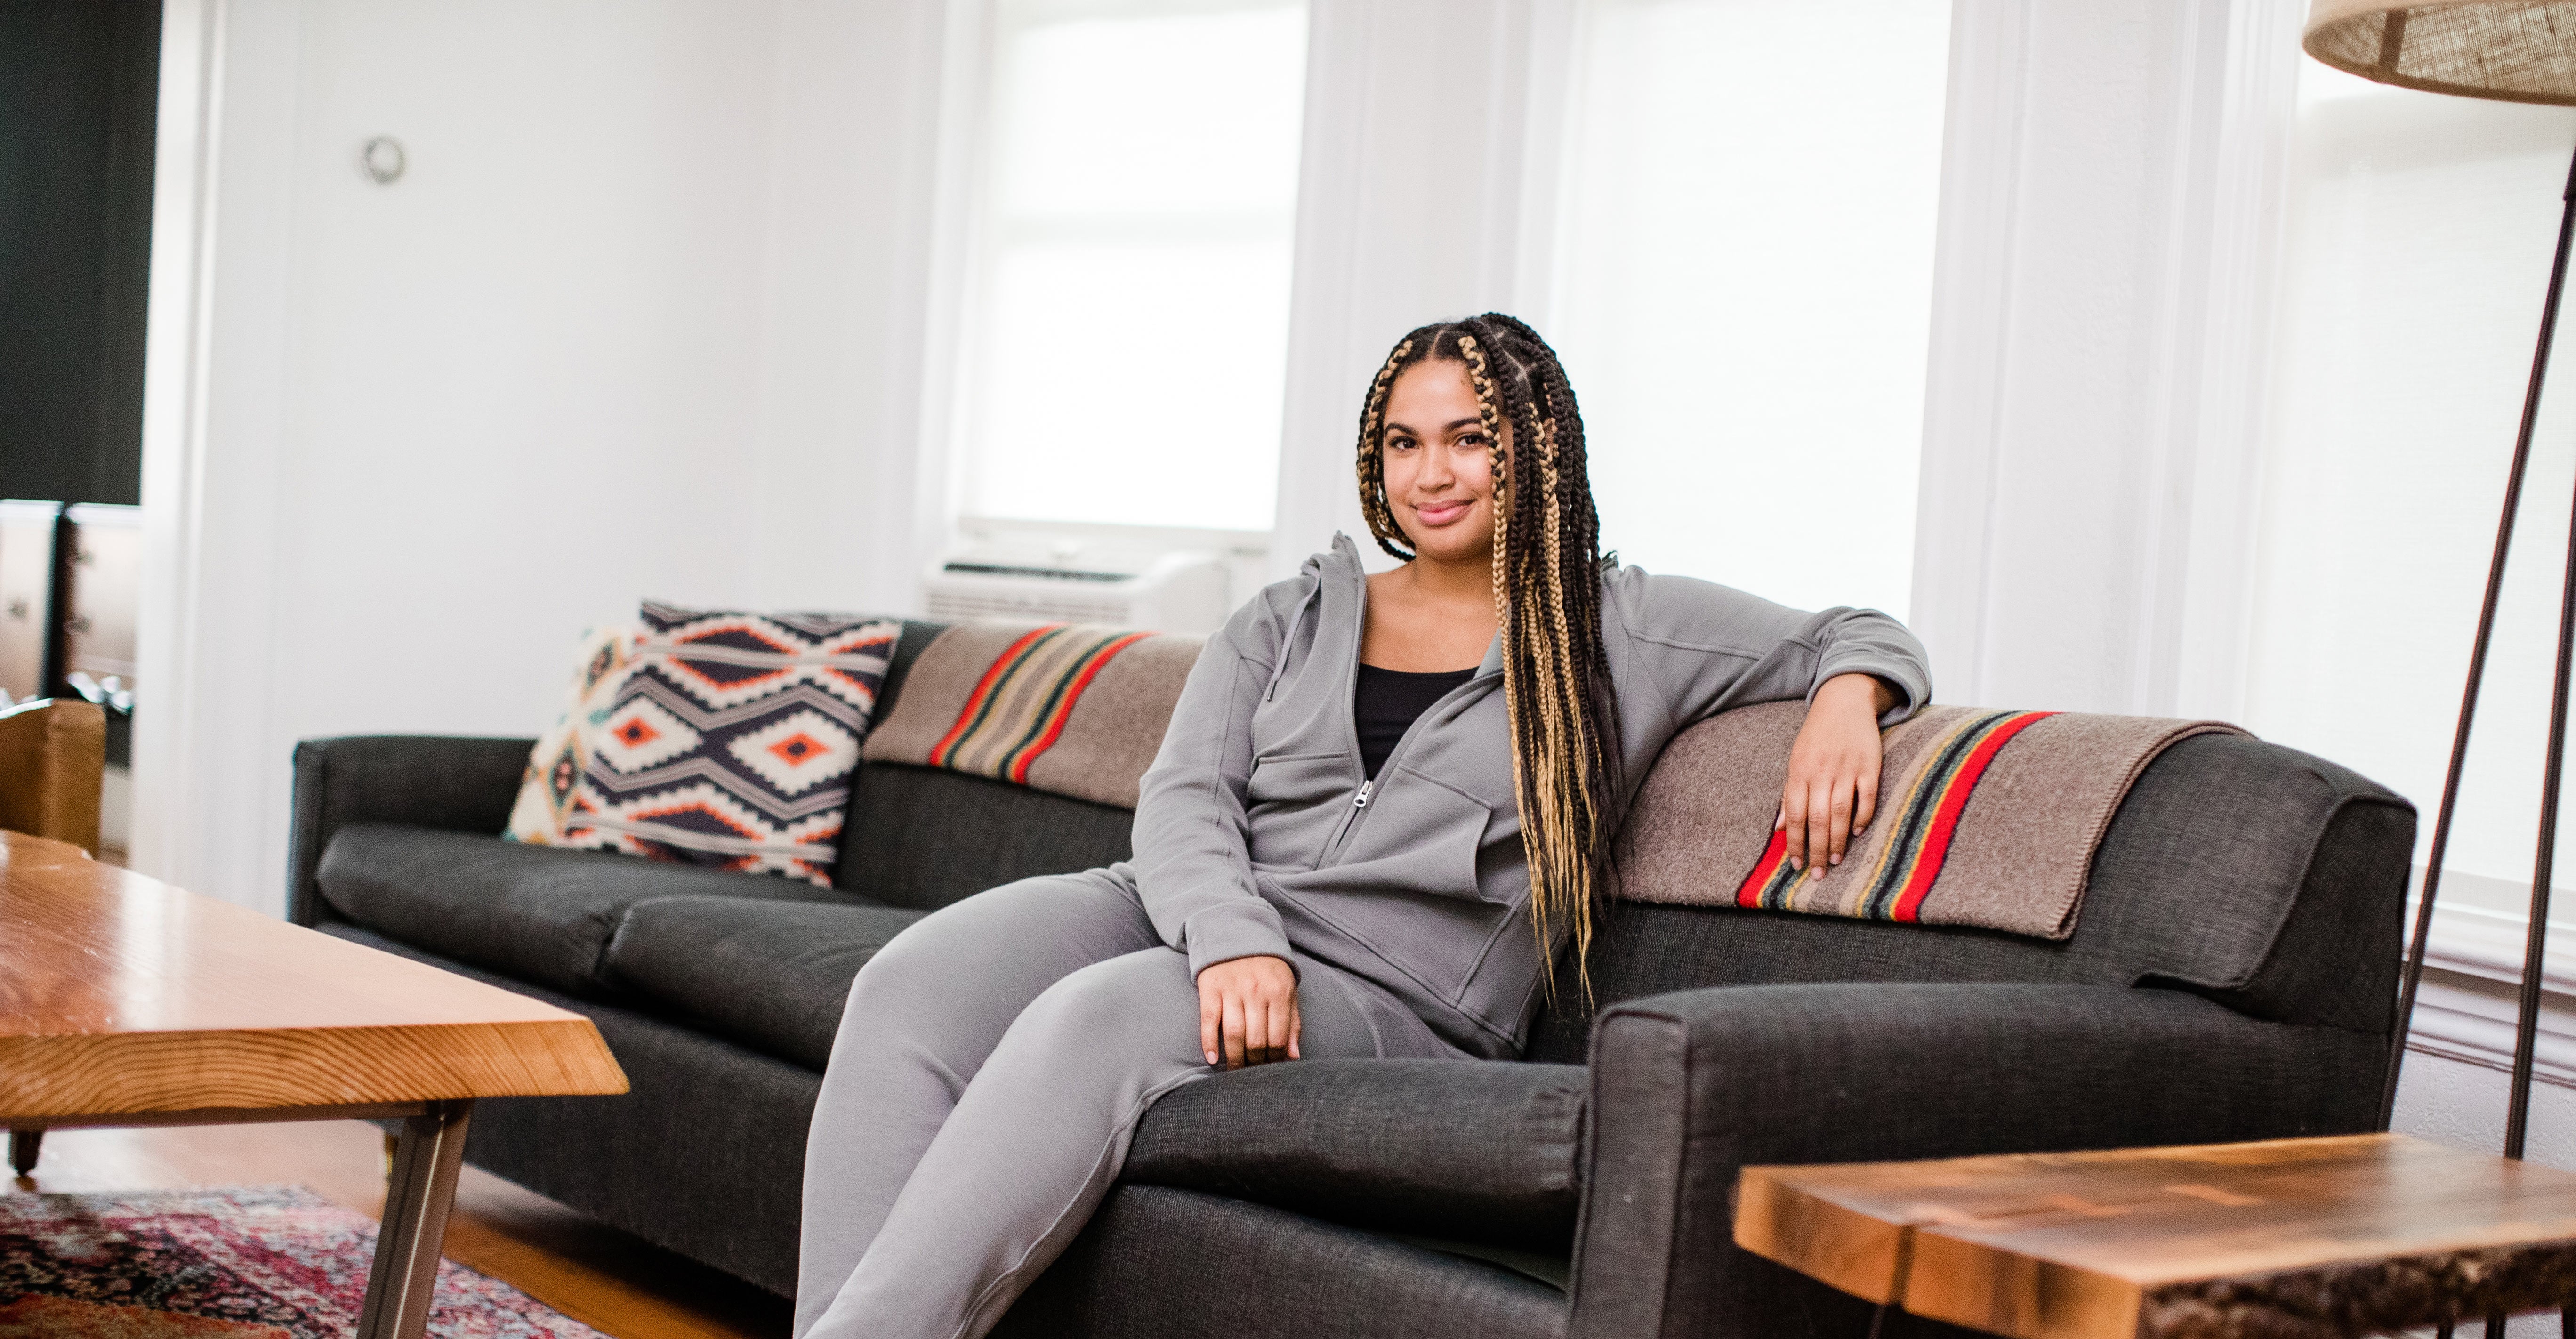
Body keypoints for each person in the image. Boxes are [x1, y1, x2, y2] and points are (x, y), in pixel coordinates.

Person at [793, 314, 1931, 1339]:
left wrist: (1847, 701)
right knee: (912, 981)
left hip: (1390, 994)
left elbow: (1857, 630)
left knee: (1098, 1020)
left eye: (1468, 437)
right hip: (1184, 911)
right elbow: (1186, 796)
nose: (1431, 474)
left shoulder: (1620, 629)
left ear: (1534, 449)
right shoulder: (1290, 613)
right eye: (1402, 442)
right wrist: (1233, 934)